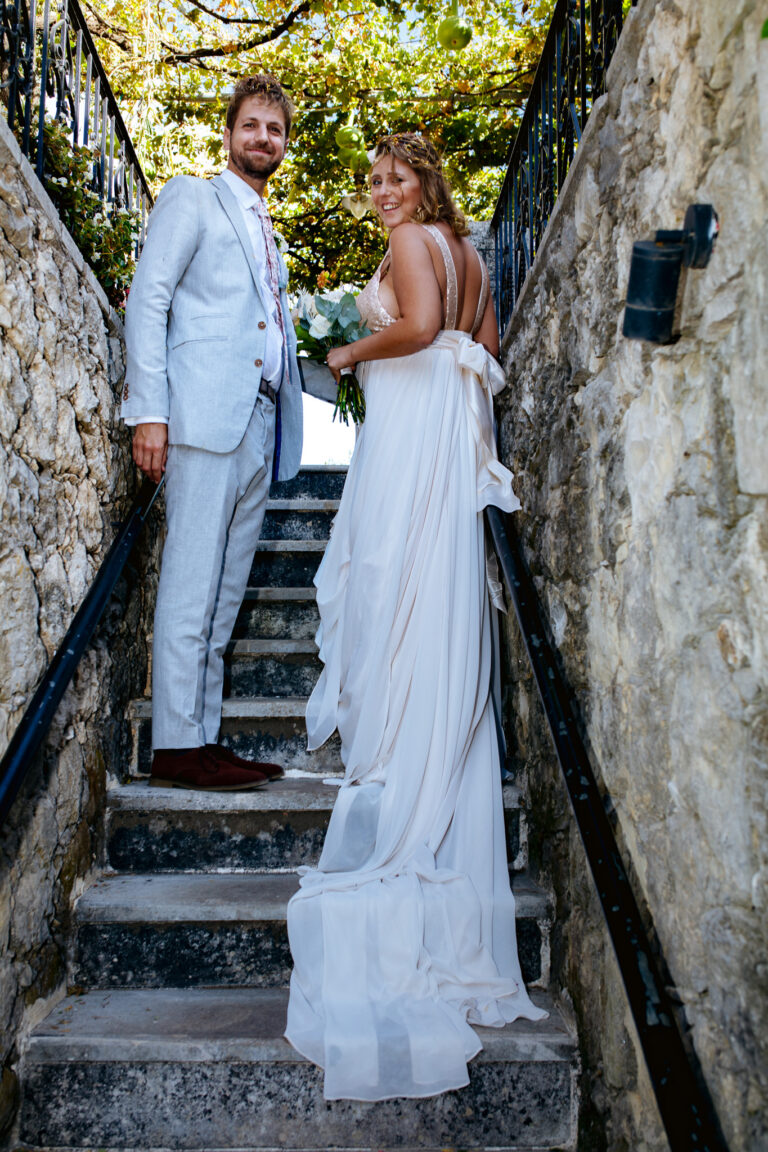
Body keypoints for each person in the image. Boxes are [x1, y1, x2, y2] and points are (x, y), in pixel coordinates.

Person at [285, 134, 547, 1101]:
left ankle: (399, 750)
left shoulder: (414, 248)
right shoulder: (470, 250)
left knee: (393, 582)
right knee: (422, 588)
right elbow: (472, 338)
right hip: (442, 425)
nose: (383, 191)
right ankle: (422, 735)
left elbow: (421, 325)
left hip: (415, 432)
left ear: (424, 182)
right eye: (376, 180)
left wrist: (346, 351)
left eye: (396, 177)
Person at [122, 75, 303, 790]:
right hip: (200, 418)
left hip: (259, 421)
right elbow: (150, 299)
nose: (264, 139)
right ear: (229, 134)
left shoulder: (269, 232)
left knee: (225, 594)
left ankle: (201, 735)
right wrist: (151, 411)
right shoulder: (193, 198)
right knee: (191, 586)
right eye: (253, 126)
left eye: (276, 130)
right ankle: (174, 745)